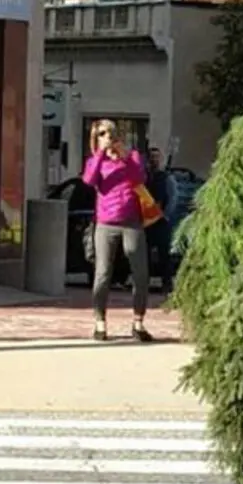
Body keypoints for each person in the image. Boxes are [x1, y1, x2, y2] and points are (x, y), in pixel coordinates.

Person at [82, 119, 153, 342]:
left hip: (132, 221)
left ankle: (138, 322)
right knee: (103, 273)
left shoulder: (131, 157)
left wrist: (124, 157)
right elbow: (89, 180)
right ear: (96, 138)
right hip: (106, 223)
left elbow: (140, 178)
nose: (108, 137)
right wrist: (101, 155)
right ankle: (100, 323)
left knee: (140, 273)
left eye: (110, 133)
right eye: (102, 134)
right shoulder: (96, 161)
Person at [145, 147, 174, 293]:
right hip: (146, 222)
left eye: (156, 157)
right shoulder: (144, 177)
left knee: (164, 254)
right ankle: (145, 282)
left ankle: (166, 283)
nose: (154, 160)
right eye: (151, 157)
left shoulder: (166, 177)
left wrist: (165, 215)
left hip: (161, 221)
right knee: (145, 254)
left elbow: (173, 197)